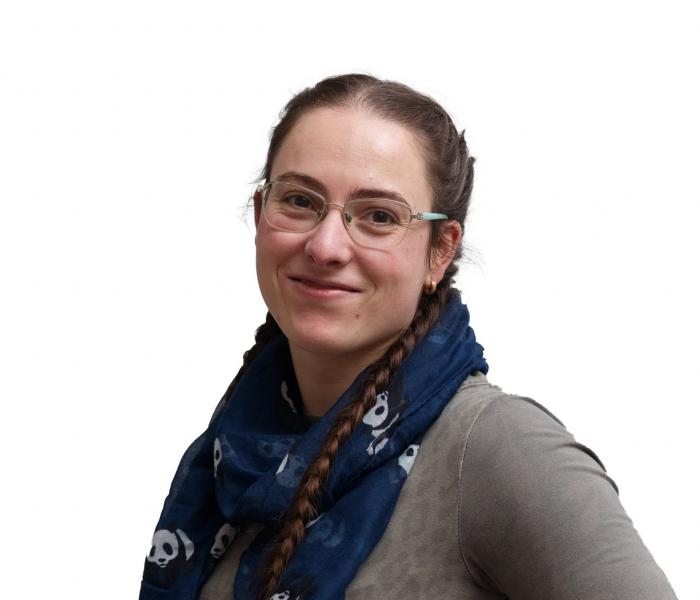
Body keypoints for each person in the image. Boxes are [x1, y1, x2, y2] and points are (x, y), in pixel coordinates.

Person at [139, 74, 677, 600]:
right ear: (260, 215)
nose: (326, 246)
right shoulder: (231, 449)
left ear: (440, 251)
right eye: (300, 201)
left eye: (378, 215)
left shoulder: (498, 449)